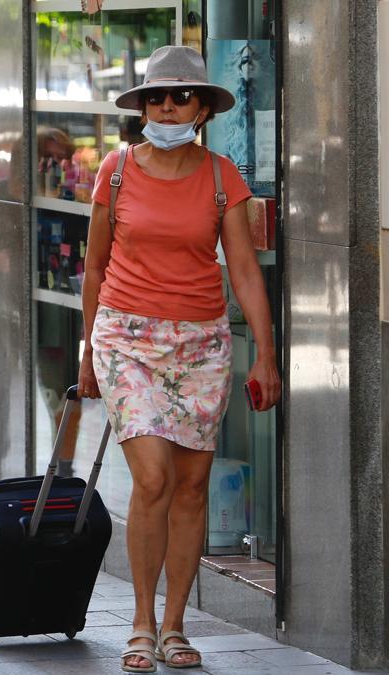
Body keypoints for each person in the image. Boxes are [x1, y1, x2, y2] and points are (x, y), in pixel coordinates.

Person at [77, 46, 281, 673]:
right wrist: (88, 353)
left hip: (201, 342)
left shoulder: (223, 178)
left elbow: (244, 270)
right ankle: (139, 622)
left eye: (181, 97)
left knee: (192, 485)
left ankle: (174, 626)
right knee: (154, 478)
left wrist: (266, 354)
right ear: (141, 107)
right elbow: (93, 266)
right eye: (157, 98)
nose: (168, 107)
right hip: (126, 338)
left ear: (200, 108)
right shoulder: (115, 171)